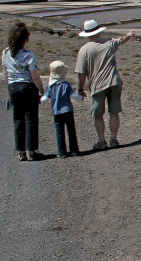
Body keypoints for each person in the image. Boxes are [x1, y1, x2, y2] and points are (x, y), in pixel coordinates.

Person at [74, 19, 135, 150]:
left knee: (98, 114)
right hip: (114, 82)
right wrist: (129, 35)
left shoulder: (84, 50)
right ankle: (113, 139)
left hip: (98, 85)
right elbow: (121, 40)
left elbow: (81, 73)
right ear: (99, 31)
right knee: (114, 112)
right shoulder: (109, 42)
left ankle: (102, 140)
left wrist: (80, 89)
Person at [2, 21, 44, 161]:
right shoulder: (28, 55)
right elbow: (35, 76)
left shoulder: (6, 53)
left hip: (13, 87)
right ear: (25, 38)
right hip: (27, 87)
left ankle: (20, 151)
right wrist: (42, 90)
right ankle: (31, 151)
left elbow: (6, 73)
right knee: (31, 119)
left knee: (18, 119)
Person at [40, 61, 82, 158]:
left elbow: (45, 98)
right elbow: (73, 95)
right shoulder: (66, 84)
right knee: (71, 130)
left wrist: (40, 101)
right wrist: (80, 98)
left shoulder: (50, 86)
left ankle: (62, 152)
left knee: (59, 131)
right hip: (67, 111)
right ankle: (74, 150)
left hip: (57, 111)